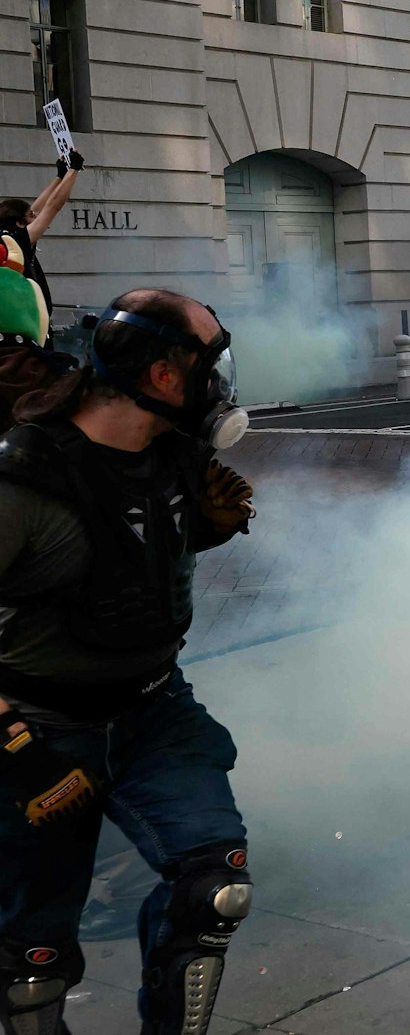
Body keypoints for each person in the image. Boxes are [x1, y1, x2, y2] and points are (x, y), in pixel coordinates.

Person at [0, 289, 256, 1035]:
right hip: (40, 730)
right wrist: (15, 749)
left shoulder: (173, 457)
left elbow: (124, 569)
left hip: (154, 710)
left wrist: (195, 532)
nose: (222, 381)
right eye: (210, 363)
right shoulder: (22, 482)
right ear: (166, 376)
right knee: (31, 966)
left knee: (216, 889)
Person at [1, 150, 84, 330]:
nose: (36, 218)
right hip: (28, 325)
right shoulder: (18, 240)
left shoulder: (6, 236)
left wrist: (60, 177)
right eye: (31, 217)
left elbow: (37, 208)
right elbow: (53, 206)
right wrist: (74, 170)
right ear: (20, 222)